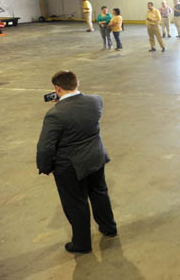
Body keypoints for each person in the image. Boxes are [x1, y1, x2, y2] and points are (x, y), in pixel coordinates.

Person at [36, 70, 117, 253]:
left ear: (57, 88)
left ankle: (81, 244)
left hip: (70, 167)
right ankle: (109, 228)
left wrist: (45, 166)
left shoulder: (55, 114)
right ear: (77, 83)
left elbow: (45, 147)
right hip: (95, 157)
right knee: (99, 193)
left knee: (76, 204)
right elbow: (80, 116)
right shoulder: (96, 100)